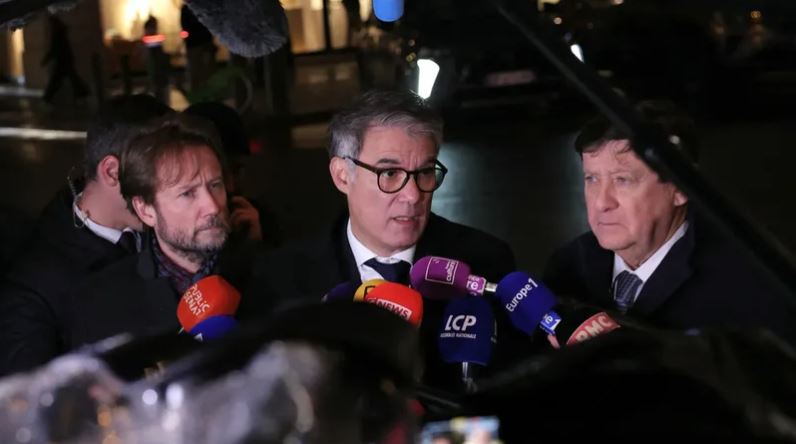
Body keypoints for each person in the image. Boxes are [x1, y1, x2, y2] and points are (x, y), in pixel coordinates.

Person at [246, 90, 526, 395]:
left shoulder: (485, 262)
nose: (413, 195)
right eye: (390, 173)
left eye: (425, 172)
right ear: (342, 176)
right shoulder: (283, 279)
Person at [543, 100, 795, 343]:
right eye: (592, 179)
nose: (601, 202)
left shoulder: (748, 287)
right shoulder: (568, 266)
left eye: (622, 180)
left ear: (680, 188)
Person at [0, 95, 173, 376]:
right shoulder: (35, 291)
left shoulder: (165, 227)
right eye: (162, 174)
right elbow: (33, 396)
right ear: (112, 172)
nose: (175, 189)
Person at [68, 115, 258, 349]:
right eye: (187, 193)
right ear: (145, 210)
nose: (212, 206)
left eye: (215, 185)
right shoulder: (99, 303)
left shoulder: (276, 275)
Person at [184, 102, 282, 246]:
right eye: (218, 176)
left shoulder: (254, 217)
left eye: (236, 171)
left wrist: (255, 243)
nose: (231, 187)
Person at [41, 14, 90, 104]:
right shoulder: (61, 33)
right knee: (71, 78)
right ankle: (83, 93)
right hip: (66, 60)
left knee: (57, 80)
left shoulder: (57, 34)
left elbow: (54, 49)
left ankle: (47, 98)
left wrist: (46, 59)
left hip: (62, 61)